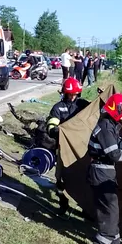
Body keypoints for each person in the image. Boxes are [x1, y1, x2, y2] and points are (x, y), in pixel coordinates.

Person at [87, 92, 122, 244]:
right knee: (110, 210)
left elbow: (115, 146)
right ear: (117, 110)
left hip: (106, 171)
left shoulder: (110, 125)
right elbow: (115, 155)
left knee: (113, 207)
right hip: (101, 171)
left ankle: (114, 242)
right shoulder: (105, 127)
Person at [45, 76, 89, 214]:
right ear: (64, 93)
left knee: (83, 179)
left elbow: (96, 112)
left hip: (81, 149)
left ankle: (86, 208)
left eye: (74, 94)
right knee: (60, 179)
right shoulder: (58, 108)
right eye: (69, 94)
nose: (71, 97)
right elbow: (51, 127)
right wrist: (58, 130)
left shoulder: (83, 105)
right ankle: (63, 204)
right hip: (63, 149)